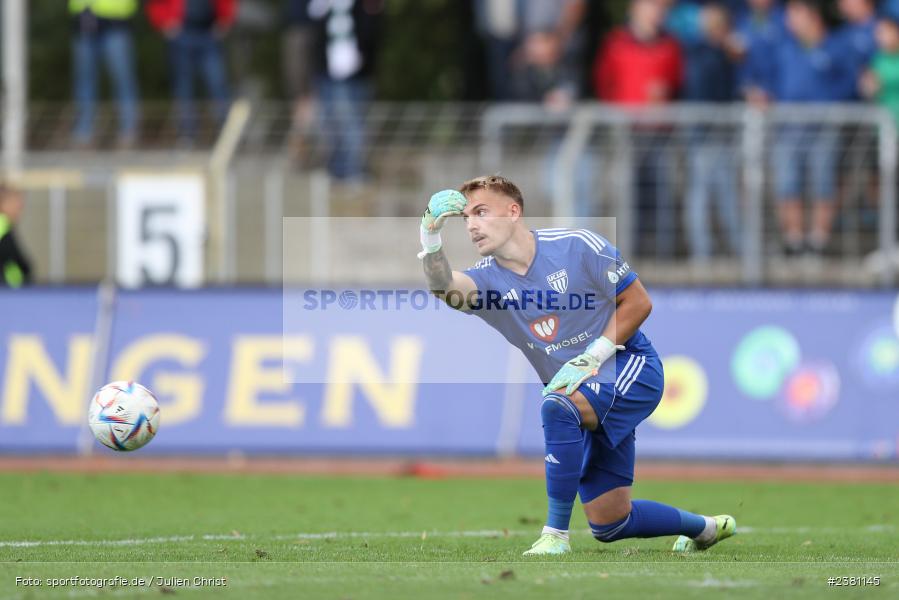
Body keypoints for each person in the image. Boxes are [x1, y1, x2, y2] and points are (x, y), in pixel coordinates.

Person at [417, 176, 736, 555]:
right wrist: (430, 237)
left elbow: (638, 302)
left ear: (513, 211)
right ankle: (706, 529)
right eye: (466, 217)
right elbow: (444, 289)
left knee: (557, 404)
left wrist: (591, 358)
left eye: (481, 212)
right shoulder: (487, 279)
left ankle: (555, 535)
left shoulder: (576, 246)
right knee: (611, 522)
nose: (471, 224)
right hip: (579, 393)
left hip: (628, 367)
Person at [593, 0, 683, 258]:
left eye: (659, 7)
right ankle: (629, 256)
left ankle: (663, 256)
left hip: (660, 134)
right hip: (627, 135)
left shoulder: (671, 45)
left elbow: (677, 83)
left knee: (661, 196)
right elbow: (604, 83)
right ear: (635, 9)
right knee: (628, 195)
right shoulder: (616, 43)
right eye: (649, 6)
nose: (655, 12)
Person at [768, 0, 852, 256]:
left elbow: (850, 84)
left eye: (795, 14)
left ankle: (818, 241)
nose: (789, 20)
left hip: (823, 127)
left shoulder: (836, 46)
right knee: (787, 183)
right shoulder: (784, 48)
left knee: (823, 183)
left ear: (812, 16)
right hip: (788, 127)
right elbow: (769, 81)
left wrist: (826, 103)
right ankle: (793, 241)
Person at [682, 3, 742, 260]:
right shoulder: (703, 54)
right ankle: (704, 253)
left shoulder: (718, 55)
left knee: (723, 195)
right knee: (702, 196)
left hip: (719, 134)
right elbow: (706, 92)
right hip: (704, 133)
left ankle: (735, 250)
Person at [309, 0, 383, 182]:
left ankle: (353, 170)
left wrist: (363, 56)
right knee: (329, 123)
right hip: (327, 70)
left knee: (352, 124)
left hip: (356, 73)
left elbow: (371, 28)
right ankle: (336, 170)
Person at [146, 0, 237, 144]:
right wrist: (163, 22)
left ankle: (227, 135)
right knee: (183, 87)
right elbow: (155, 3)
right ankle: (187, 135)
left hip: (209, 34)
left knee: (218, 83)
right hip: (181, 35)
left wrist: (225, 20)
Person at [69, 0, 141, 148]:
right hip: (84, 22)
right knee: (84, 81)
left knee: (123, 80)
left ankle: (129, 131)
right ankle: (84, 132)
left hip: (116, 24)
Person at [283, 0, 319, 166]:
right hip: (296, 29)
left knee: (313, 96)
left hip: (319, 31)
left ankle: (308, 150)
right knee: (299, 96)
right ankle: (300, 151)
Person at [732, 0, 786, 105]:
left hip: (778, 98)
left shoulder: (785, 20)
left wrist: (769, 91)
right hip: (747, 97)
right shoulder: (740, 22)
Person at [860, 16, 899, 125]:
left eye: (885, 32)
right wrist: (868, 88)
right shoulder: (876, 61)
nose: (881, 37)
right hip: (888, 123)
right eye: (878, 33)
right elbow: (870, 91)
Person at [0, 185, 32, 289]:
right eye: (16, 203)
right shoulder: (3, 226)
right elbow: (21, 264)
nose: (20, 208)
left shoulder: (6, 226)